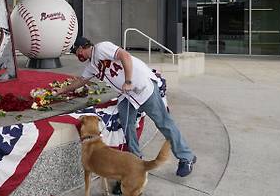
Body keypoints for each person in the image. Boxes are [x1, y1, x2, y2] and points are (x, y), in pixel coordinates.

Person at [53, 36, 196, 177]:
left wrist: (127, 81)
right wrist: (60, 91)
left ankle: (186, 157)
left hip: (141, 86)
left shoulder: (101, 48)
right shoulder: (92, 65)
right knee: (127, 126)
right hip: (127, 96)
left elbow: (124, 55)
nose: (77, 55)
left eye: (75, 52)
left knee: (163, 123)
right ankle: (135, 164)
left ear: (80, 48)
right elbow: (81, 81)